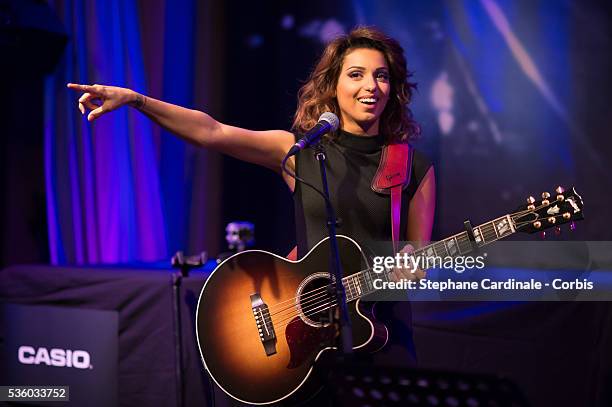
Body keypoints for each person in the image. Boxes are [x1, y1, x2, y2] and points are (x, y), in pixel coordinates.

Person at [68, 25, 435, 400]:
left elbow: (417, 261)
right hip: (305, 340)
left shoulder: (412, 167)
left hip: (379, 335)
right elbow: (212, 132)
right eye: (356, 74)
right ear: (333, 86)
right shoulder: (299, 152)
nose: (371, 86)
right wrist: (137, 100)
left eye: (382, 76)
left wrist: (412, 265)